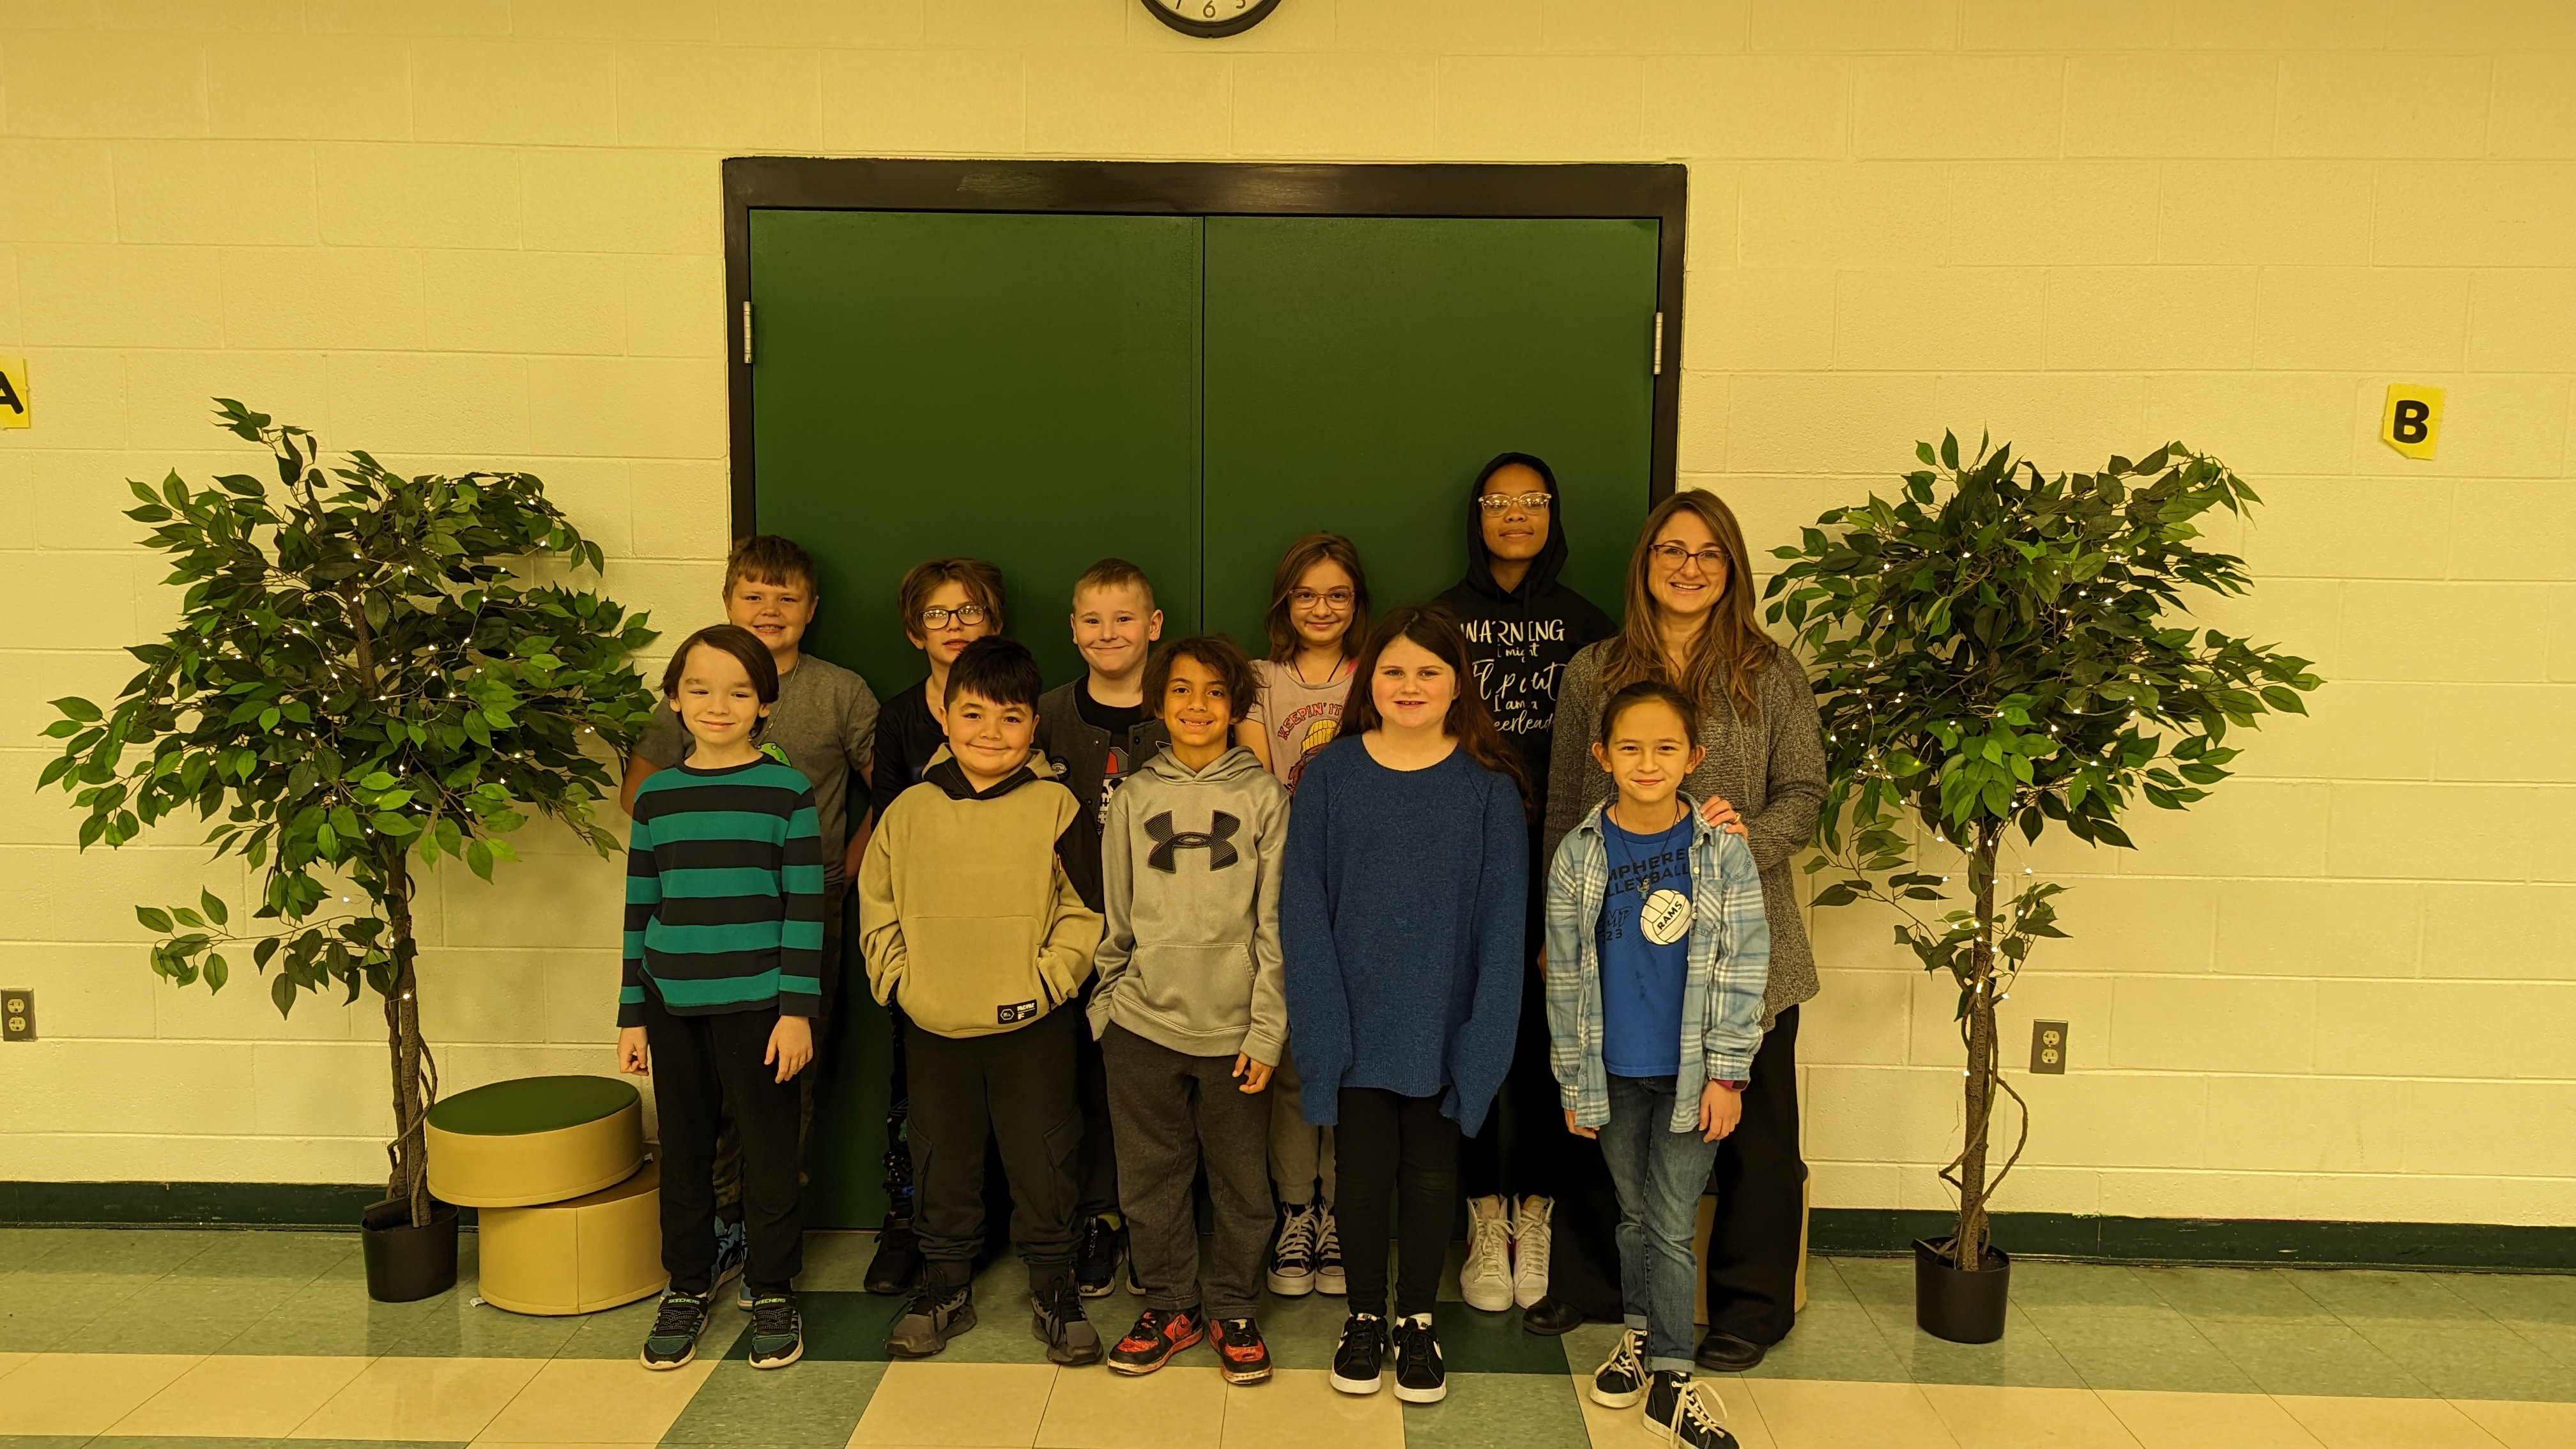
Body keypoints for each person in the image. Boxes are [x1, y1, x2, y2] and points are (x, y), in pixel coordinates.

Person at [1544, 491, 1826, 1374]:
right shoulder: (1594, 670)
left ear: (1732, 569)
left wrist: (1752, 840)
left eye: (1709, 553)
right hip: (1621, 946)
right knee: (1609, 1120)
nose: (1689, 566)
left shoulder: (1769, 672)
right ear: (1645, 563)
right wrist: (1563, 933)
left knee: (1752, 1136)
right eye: (1671, 549)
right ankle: (1605, 1295)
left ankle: (1748, 1308)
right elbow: (1563, 804)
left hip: (1744, 949)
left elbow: (1806, 794)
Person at [618, 536, 877, 1308]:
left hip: (783, 943)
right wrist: (632, 1010)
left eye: (787, 596)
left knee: (776, 1110)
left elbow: (885, 791)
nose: (770, 608)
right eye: (754, 593)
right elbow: (642, 881)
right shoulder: (676, 753)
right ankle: (702, 1261)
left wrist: (846, 872)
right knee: (691, 1132)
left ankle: (771, 1271)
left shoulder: (823, 720)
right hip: (682, 974)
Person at [1282, 604, 1527, 1406]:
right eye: (1393, 670)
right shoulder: (1332, 774)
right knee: (1359, 1179)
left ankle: (1416, 1322)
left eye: (1428, 671)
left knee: (1430, 1177)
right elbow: (1302, 910)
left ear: (1459, 683)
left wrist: (1480, 1043)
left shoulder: (1490, 789)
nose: (1410, 685)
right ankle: (1362, 1317)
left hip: (1444, 1028)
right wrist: (1324, 1028)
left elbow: (1502, 930)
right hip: (1351, 1025)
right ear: (1368, 681)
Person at [859, 636, 1106, 1366]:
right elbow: (878, 907)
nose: (990, 734)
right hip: (934, 1023)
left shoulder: (1057, 807)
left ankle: (1054, 1288)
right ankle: (943, 1289)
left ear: (1035, 726)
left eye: (1010, 718)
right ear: (944, 716)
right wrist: (904, 983)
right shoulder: (909, 810)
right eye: (973, 715)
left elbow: (1086, 911)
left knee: (1045, 1155)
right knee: (942, 1156)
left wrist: (1050, 982)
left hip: (1032, 1025)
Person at [1547, 680, 1768, 1449]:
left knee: (1672, 1226)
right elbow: (1568, 976)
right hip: (1610, 1070)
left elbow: (1746, 966)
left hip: (1691, 1075)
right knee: (1636, 1217)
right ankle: (1640, 1335)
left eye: (1666, 747)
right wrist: (1574, 1079)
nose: (1648, 762)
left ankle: (1672, 1381)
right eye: (1631, 748)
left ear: (1694, 758)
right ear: (1602, 755)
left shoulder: (1721, 850)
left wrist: (1728, 1074)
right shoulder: (1578, 854)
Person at [1433, 452, 1618, 1323]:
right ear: (1477, 514)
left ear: (1553, 514)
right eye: (1499, 501)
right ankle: (1480, 1219)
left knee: (1550, 1055)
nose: (1516, 514)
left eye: (1532, 500)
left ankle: (1535, 1217)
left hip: (1563, 872)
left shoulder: (1591, 629)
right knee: (1470, 1048)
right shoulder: (1439, 621)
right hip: (1462, 870)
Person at [618, 625, 823, 1374]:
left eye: (739, 691)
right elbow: (640, 908)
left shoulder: (787, 791)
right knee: (685, 1154)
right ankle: (689, 1283)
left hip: (763, 1009)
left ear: (765, 706)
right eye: (699, 689)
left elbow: (805, 907)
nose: (718, 704)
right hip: (672, 1006)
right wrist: (630, 1015)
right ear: (674, 699)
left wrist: (796, 1010)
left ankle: (772, 1288)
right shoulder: (658, 799)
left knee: (770, 1155)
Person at [1091, 634, 1288, 1386]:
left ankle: (1234, 1306)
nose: (1197, 706)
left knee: (1242, 1182)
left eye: (1213, 691)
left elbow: (1276, 928)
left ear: (1236, 703)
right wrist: (1107, 1008)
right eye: (1180, 690)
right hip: (1141, 1026)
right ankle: (1171, 1304)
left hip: (1237, 1031)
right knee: (1149, 1179)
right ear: (1158, 702)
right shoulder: (1136, 796)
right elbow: (1117, 917)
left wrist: (1268, 1030)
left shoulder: (1264, 798)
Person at [861, 556, 1004, 1296]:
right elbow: (887, 833)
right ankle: (909, 1221)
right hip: (925, 939)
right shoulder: (897, 718)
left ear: (995, 623)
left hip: (1005, 941)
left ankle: (984, 1225)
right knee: (913, 1094)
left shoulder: (1020, 706)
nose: (955, 627)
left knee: (1004, 1092)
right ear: (916, 631)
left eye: (970, 612)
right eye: (940, 615)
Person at [1034, 558, 1170, 1299]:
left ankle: (1159, 1227)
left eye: (1124, 619)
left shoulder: (1186, 711)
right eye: (1092, 619)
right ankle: (1098, 1217)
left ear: (1153, 626)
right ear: (1074, 630)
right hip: (1070, 932)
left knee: (1153, 1089)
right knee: (1077, 1085)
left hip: (1166, 934)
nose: (1108, 633)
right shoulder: (1048, 715)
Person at [1238, 532, 1367, 1300]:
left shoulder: (1375, 675)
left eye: (1338, 594)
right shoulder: (1258, 679)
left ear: (1358, 604)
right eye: (1307, 594)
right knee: (1291, 1062)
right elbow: (1260, 783)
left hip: (1362, 886)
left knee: (1353, 1062)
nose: (1322, 608)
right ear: (1285, 601)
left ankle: (1343, 1212)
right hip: (1285, 884)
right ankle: (1295, 1210)